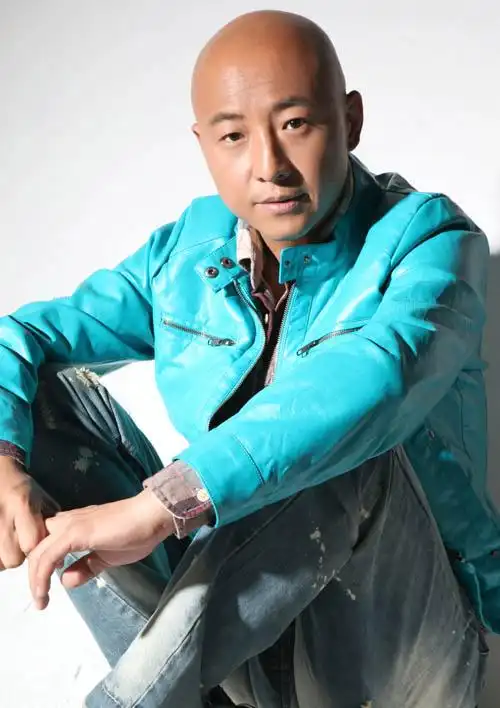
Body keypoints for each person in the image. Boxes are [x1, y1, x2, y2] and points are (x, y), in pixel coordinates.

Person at [0, 9, 496, 708]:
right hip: (237, 638)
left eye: (296, 123)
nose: (269, 166)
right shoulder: (186, 255)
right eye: (234, 136)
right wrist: (4, 460)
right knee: (42, 397)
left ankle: (133, 699)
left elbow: (376, 377)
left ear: (350, 120)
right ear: (204, 145)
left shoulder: (431, 242)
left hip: (398, 653)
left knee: (338, 440)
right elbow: (23, 334)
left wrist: (161, 505)